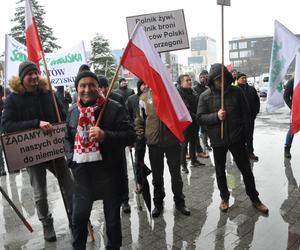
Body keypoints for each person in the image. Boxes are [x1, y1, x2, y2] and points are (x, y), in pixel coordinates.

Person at [1, 61, 74, 241]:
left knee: (71, 187)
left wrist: (61, 121)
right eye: (29, 74)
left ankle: (75, 218)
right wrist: (36, 124)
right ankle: (46, 223)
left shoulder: (49, 94)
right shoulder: (13, 98)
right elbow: (6, 125)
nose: (33, 77)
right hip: (33, 155)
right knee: (40, 194)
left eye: (35, 73)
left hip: (55, 151)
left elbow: (64, 116)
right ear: (22, 78)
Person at [64, 69, 135, 249]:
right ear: (77, 89)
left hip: (110, 175)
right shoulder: (73, 111)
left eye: (91, 85)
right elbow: (67, 139)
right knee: (78, 221)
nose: (87, 89)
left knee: (112, 221)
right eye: (82, 85)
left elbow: (130, 136)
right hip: (83, 178)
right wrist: (71, 159)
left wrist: (105, 135)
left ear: (98, 88)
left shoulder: (114, 108)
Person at [197, 63, 269, 215]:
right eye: (217, 79)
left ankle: (255, 198)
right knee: (220, 171)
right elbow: (200, 118)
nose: (221, 82)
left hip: (237, 139)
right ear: (212, 80)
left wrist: (244, 136)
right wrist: (216, 116)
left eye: (223, 78)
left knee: (246, 171)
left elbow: (246, 115)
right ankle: (224, 197)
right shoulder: (205, 96)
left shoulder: (236, 92)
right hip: (218, 141)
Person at [135, 87, 191, 218]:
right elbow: (140, 120)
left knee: (176, 175)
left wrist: (182, 134)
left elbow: (183, 114)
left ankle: (179, 202)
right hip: (154, 143)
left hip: (172, 141)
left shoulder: (173, 94)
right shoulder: (143, 98)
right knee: (157, 177)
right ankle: (158, 203)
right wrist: (139, 133)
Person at [98, 75, 131, 213]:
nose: (103, 90)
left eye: (105, 87)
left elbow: (126, 119)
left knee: (122, 172)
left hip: (117, 142)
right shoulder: (94, 102)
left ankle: (125, 200)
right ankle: (110, 199)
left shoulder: (117, 98)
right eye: (100, 87)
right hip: (102, 146)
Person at [177, 74, 204, 173]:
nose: (189, 82)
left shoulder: (193, 91)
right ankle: (183, 164)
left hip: (194, 120)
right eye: (187, 80)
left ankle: (194, 160)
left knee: (194, 140)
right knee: (184, 144)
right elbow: (185, 108)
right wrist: (196, 116)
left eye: (190, 80)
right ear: (181, 82)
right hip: (185, 121)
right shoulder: (178, 93)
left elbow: (198, 104)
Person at [236, 72, 260, 161]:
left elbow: (257, 102)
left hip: (250, 118)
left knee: (250, 136)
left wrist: (254, 114)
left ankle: (250, 152)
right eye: (242, 78)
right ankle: (239, 154)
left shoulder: (251, 89)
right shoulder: (235, 90)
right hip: (239, 119)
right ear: (238, 79)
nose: (244, 79)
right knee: (239, 137)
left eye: (245, 78)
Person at [193, 70, 211, 155]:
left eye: (204, 77)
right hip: (196, 112)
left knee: (205, 130)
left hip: (206, 113)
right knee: (195, 132)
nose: (203, 79)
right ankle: (198, 149)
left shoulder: (208, 88)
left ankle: (205, 144)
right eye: (201, 77)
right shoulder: (194, 89)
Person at [283, 78, 294, 159]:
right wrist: (292, 107)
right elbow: (286, 96)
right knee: (292, 130)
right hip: (296, 110)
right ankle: (287, 149)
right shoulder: (292, 81)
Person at [0, 85, 6, 176]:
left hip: (3, 119)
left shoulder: (3, 89)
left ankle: (15, 165)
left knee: (7, 142)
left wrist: (5, 101)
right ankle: (1, 167)